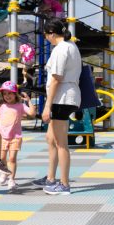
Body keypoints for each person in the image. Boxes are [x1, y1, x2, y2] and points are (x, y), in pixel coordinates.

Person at [34, 19, 81, 195]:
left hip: (62, 98)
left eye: (46, 35)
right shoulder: (71, 46)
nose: (46, 39)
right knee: (50, 138)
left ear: (52, 34)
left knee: (61, 143)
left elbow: (56, 78)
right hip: (67, 96)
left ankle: (64, 184)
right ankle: (50, 177)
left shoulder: (61, 49)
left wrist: (47, 106)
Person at [0, 80, 37, 190]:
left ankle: (12, 179)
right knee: (2, 158)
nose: (7, 96)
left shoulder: (20, 106)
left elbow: (32, 113)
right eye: (4, 94)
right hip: (2, 137)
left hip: (15, 137)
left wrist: (29, 101)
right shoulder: (1, 105)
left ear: (15, 94)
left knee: (12, 159)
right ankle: (4, 172)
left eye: (9, 93)